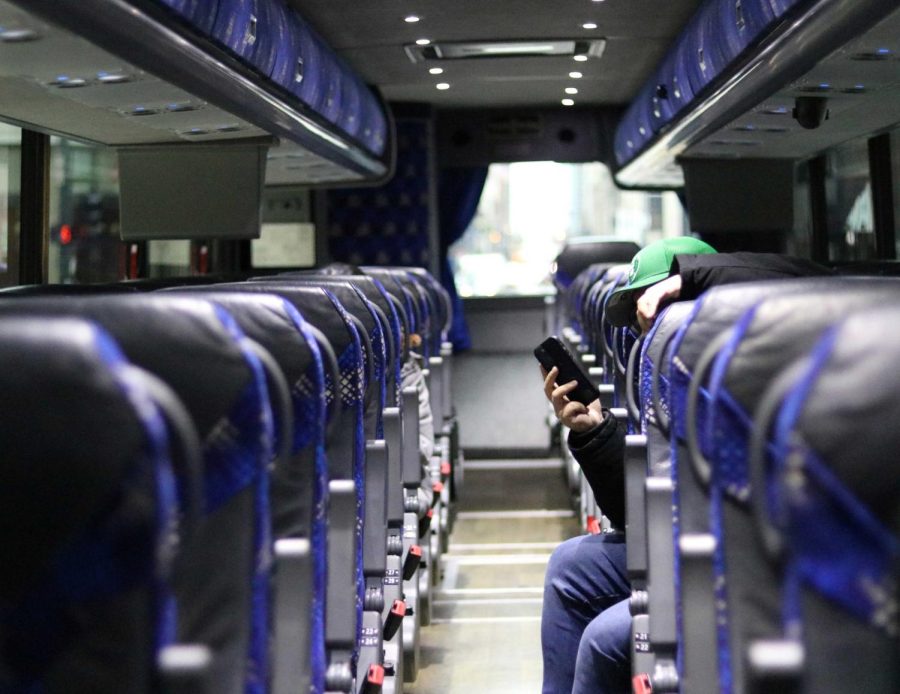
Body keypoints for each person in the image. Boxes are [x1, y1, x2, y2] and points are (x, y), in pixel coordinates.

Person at [540, 237, 832, 693]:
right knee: (569, 568)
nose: (646, 328)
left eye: (657, 307)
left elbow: (811, 277)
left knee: (604, 640)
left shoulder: (776, 357)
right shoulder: (659, 372)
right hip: (695, 545)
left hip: (762, 558)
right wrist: (594, 433)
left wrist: (692, 276)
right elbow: (642, 514)